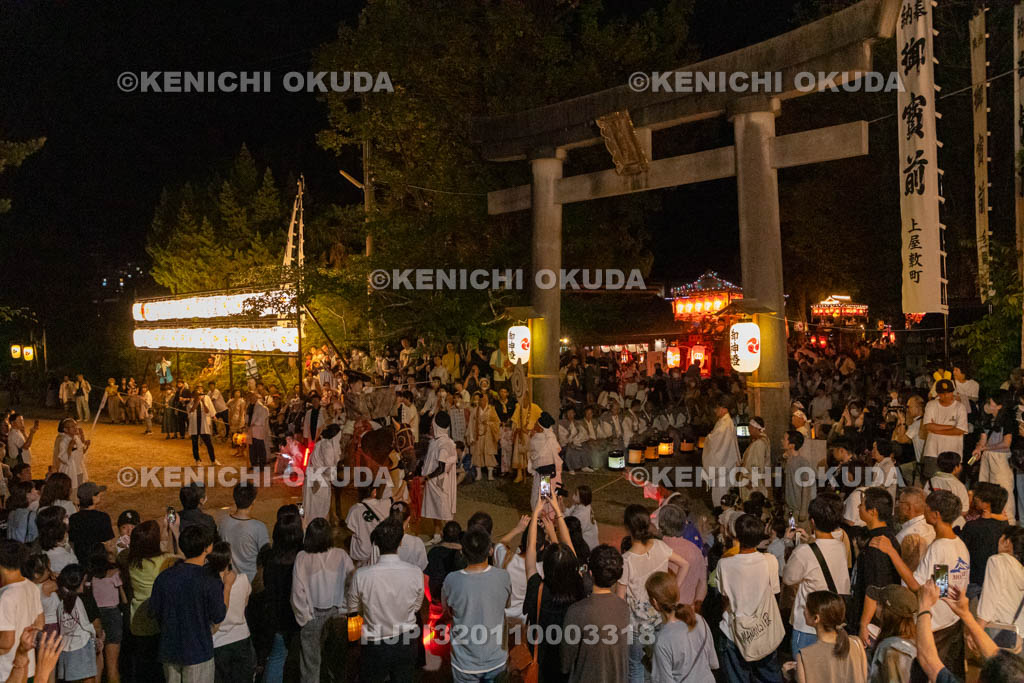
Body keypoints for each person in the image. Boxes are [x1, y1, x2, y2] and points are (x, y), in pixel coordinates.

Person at [870, 490, 970, 680]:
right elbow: (943, 586)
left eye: (927, 508)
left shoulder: (939, 548)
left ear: (936, 515)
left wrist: (892, 553)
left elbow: (919, 587)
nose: (923, 512)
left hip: (934, 626)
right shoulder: (959, 545)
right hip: (952, 622)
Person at [617, 504, 690, 683]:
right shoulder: (659, 546)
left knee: (636, 667)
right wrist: (671, 590)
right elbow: (685, 565)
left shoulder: (626, 560)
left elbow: (620, 599)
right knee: (660, 663)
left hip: (636, 625)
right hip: (659, 617)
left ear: (627, 527)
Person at [347, 520, 424, 682]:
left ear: (375, 545)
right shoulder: (415, 572)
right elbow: (417, 606)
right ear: (400, 542)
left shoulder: (362, 575)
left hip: (374, 643)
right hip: (406, 641)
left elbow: (353, 609)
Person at [150, 524, 227, 683]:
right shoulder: (210, 579)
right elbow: (219, 615)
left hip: (169, 651)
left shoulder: (164, 577)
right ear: (207, 548)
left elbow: (154, 612)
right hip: (198, 652)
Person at [523, 495, 585, 683]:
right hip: (569, 658)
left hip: (543, 658)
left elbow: (530, 549)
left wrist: (535, 516)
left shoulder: (538, 588)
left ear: (547, 567)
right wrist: (558, 513)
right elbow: (570, 550)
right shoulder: (577, 586)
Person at [716, 513, 783, 682]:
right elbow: (774, 591)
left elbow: (725, 597)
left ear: (736, 536)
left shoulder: (724, 564)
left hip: (734, 633)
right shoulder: (770, 561)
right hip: (765, 629)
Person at [441, 526, 511, 683]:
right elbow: (506, 604)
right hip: (496, 659)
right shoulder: (503, 577)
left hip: (464, 662)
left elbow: (447, 610)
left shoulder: (451, 580)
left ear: (462, 552)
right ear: (490, 551)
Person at [783, 496, 851, 658]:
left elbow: (788, 578)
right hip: (833, 621)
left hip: (809, 624)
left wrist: (787, 542)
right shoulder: (840, 546)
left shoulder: (804, 552)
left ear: (812, 522)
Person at [291, 517, 352, 683]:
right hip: (337, 614)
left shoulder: (302, 558)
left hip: (312, 615)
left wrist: (304, 617)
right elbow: (351, 584)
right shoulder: (341, 555)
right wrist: (345, 609)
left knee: (310, 664)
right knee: (337, 661)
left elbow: (298, 592)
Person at [126, 520, 178, 682]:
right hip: (159, 622)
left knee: (144, 668)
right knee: (160, 670)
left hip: (138, 623)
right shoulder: (166, 560)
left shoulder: (131, 562)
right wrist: (173, 531)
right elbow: (182, 559)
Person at [646, 570, 718, 683]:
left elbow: (663, 680)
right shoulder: (698, 619)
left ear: (654, 602)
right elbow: (712, 662)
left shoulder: (662, 640)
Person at [256, 511, 302, 683]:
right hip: (298, 617)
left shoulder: (270, 557)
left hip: (277, 617)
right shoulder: (302, 558)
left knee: (276, 658)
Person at [852, 487, 900, 643]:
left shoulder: (878, 544)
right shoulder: (886, 537)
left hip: (874, 623)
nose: (859, 508)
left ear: (872, 512)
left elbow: (875, 588)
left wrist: (864, 624)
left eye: (861, 505)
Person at [207, 541, 255, 683]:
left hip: (217, 643)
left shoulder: (207, 585)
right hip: (241, 639)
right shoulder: (243, 580)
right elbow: (245, 603)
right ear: (229, 560)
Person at [794, 590, 867, 683]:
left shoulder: (804, 656)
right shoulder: (856, 643)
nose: (804, 611)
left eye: (806, 608)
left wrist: (790, 674)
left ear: (816, 618)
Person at [0, 540, 44, 682]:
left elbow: (7, 642)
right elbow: (40, 622)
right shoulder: (31, 586)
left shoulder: (6, 596)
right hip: (28, 666)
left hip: (8, 671)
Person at [974, 389, 1016, 521]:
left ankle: (1008, 520)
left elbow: (1006, 443)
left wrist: (987, 448)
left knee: (1003, 490)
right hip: (987, 458)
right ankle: (989, 518)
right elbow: (983, 438)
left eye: (990, 402)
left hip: (1001, 459)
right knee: (986, 490)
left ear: (999, 405)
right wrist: (978, 449)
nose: (988, 405)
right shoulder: (988, 419)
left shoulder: (1008, 420)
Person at [656, 504, 707, 610]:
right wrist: (695, 608)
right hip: (688, 611)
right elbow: (702, 583)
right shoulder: (695, 550)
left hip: (664, 611)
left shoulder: (657, 549)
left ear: (661, 525)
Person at [960, 482, 1009, 590]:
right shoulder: (1005, 524)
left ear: (987, 503)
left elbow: (959, 551)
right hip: (995, 579)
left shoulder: (972, 526)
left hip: (974, 579)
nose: (974, 498)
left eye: (978, 497)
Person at [977, 526, 1024, 637]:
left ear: (1007, 542)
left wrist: (977, 632)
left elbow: (989, 601)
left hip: (1005, 634)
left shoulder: (998, 561)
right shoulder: (1020, 568)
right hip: (1021, 633)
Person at [866, 584, 918, 683]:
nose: (876, 605)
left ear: (886, 611)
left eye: (879, 603)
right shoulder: (914, 641)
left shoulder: (892, 648)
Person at [54, 564, 97, 682]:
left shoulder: (61, 603)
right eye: (84, 582)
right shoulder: (77, 601)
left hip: (67, 646)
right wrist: (96, 636)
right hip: (82, 644)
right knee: (89, 679)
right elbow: (85, 624)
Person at [86, 546, 124, 683]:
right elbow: (123, 599)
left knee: (96, 664)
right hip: (113, 615)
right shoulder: (115, 573)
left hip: (95, 617)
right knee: (112, 666)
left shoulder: (89, 577)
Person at [218, 484, 269, 583]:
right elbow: (266, 556)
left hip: (230, 580)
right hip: (252, 582)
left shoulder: (223, 522)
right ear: (254, 501)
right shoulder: (259, 527)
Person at [421, 412, 459, 544]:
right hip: (433, 482)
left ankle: (452, 537)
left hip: (440, 483)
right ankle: (437, 535)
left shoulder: (445, 444)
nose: (431, 425)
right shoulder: (435, 441)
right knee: (435, 510)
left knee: (444, 510)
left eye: (433, 423)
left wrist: (426, 477)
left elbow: (442, 468)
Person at [920, 379, 966, 482]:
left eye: (948, 393)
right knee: (932, 484)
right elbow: (928, 426)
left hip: (953, 454)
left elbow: (960, 430)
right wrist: (951, 427)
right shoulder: (931, 405)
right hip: (933, 453)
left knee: (952, 486)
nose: (945, 396)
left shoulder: (960, 407)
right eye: (942, 393)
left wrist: (936, 428)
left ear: (952, 392)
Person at [702, 397, 739, 506]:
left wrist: (709, 438)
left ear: (724, 409)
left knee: (722, 490)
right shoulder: (724, 422)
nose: (715, 410)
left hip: (724, 462)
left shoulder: (725, 424)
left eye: (717, 408)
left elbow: (716, 442)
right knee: (721, 489)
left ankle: (722, 512)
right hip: (726, 461)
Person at [302, 424, 343, 523]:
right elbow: (329, 468)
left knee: (309, 507)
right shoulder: (328, 447)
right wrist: (334, 478)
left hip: (311, 479)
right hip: (320, 483)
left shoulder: (320, 443)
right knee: (319, 510)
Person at [345, 484, 391, 566]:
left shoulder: (354, 509)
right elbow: (396, 498)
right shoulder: (385, 504)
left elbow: (350, 529)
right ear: (374, 492)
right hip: (379, 552)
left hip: (362, 553)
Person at [67, 482, 114, 562]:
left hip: (81, 560)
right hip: (99, 562)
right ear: (93, 498)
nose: (100, 495)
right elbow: (108, 545)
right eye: (98, 494)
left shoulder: (73, 518)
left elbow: (72, 543)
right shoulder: (103, 517)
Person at [894, 487, 935, 577]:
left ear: (908, 507)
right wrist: (942, 590)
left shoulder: (903, 536)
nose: (896, 506)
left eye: (899, 502)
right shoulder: (934, 529)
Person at [528, 411, 562, 509]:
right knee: (535, 494)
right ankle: (537, 515)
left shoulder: (548, 438)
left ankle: (543, 518)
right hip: (539, 472)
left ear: (540, 428)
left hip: (546, 473)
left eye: (536, 425)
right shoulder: (539, 437)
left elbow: (557, 450)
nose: (534, 426)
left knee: (544, 496)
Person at [468, 391, 500, 481]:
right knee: (477, 454)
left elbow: (497, 422)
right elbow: (471, 424)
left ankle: (490, 474)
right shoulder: (475, 410)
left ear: (487, 400)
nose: (483, 401)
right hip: (478, 435)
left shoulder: (491, 410)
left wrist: (488, 423)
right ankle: (479, 474)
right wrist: (471, 436)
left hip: (488, 435)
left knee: (489, 454)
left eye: (485, 399)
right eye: (481, 399)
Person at [187, 386, 220, 466]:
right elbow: (191, 411)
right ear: (193, 396)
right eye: (197, 395)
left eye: (199, 395)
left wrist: (203, 402)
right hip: (195, 426)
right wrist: (197, 402)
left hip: (203, 426)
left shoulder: (203, 403)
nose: (199, 396)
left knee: (209, 444)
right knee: (195, 444)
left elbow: (207, 411)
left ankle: (213, 460)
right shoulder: (189, 404)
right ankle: (197, 460)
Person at [740, 416, 770, 501]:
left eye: (750, 426)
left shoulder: (759, 443)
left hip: (752, 483)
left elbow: (757, 464)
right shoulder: (760, 440)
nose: (748, 429)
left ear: (755, 427)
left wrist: (751, 481)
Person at [564, 485, 599, 550]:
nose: (573, 495)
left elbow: (571, 528)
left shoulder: (583, 514)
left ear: (582, 498)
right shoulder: (581, 505)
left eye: (576, 494)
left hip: (588, 544)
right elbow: (568, 513)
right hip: (586, 540)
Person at [245, 392, 270, 468]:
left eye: (252, 396)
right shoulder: (249, 406)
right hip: (250, 429)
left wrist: (255, 423)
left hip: (257, 428)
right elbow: (247, 416)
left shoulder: (261, 407)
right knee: (252, 447)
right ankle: (254, 463)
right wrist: (247, 424)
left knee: (259, 446)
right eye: (249, 396)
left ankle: (262, 463)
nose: (251, 398)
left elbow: (262, 417)